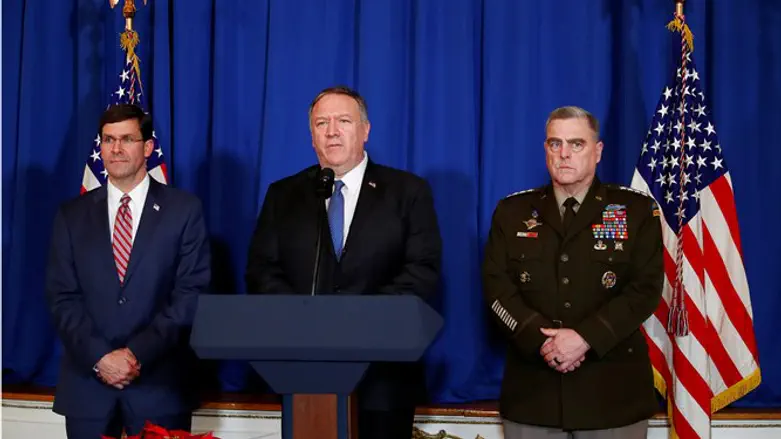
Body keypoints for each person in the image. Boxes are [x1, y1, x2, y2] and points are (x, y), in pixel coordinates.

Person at [245, 85, 442, 438]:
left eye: (343, 121)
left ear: (365, 130)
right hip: (304, 375)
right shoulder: (283, 195)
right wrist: (307, 320)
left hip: (384, 377)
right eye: (322, 123)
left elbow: (421, 272)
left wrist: (354, 322)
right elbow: (262, 272)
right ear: (312, 136)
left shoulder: (408, 192)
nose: (332, 131)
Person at [482, 106, 663, 438]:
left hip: (611, 395)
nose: (563, 154)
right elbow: (496, 289)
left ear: (597, 152)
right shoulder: (513, 211)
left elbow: (645, 290)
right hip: (533, 393)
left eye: (576, 144)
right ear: (545, 149)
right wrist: (542, 341)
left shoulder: (636, 210)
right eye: (555, 143)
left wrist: (585, 339)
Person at [46, 103, 211, 439]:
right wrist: (100, 358)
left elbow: (191, 295)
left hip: (159, 387)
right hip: (88, 390)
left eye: (127, 139)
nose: (116, 149)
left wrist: (136, 354)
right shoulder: (71, 215)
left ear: (148, 147)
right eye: (108, 140)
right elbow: (62, 298)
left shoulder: (184, 210)